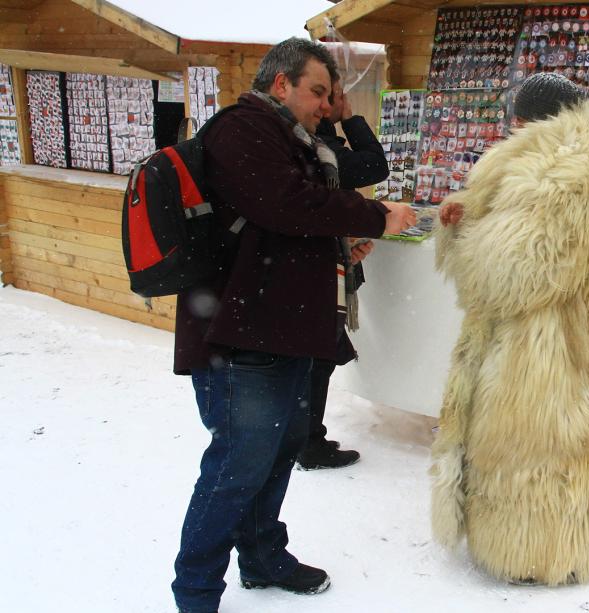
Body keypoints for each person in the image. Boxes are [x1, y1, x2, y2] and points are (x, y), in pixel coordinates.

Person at [171, 38, 416, 613]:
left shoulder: (292, 138)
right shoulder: (242, 128)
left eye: (330, 96)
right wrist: (376, 215)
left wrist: (338, 248)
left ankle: (261, 556)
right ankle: (196, 591)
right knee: (237, 465)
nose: (326, 106)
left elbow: (282, 227)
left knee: (278, 452)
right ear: (280, 83)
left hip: (280, 329)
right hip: (239, 335)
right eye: (317, 92)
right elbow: (286, 204)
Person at [429, 72, 589, 585]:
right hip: (572, 334)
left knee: (530, 448)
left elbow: (512, 270)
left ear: (542, 120)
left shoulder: (565, 166)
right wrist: (474, 216)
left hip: (547, 341)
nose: (514, 129)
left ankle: (529, 555)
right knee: (565, 449)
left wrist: (470, 235)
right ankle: (552, 549)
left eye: (522, 120)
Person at [296, 77, 391, 470]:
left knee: (317, 358)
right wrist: (350, 118)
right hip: (319, 273)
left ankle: (304, 437)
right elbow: (374, 165)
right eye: (332, 96)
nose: (339, 102)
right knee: (316, 358)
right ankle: (306, 442)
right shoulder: (322, 148)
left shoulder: (317, 141)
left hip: (325, 265)